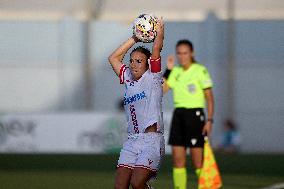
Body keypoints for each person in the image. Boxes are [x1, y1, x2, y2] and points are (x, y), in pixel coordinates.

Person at [108, 18, 165, 189]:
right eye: (131, 60)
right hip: (132, 140)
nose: (133, 64)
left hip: (151, 141)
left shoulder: (152, 77)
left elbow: (156, 48)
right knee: (120, 186)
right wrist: (135, 38)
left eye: (138, 61)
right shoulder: (128, 79)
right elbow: (113, 58)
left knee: (137, 182)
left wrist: (160, 31)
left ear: (147, 64)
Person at [163, 39, 214, 189]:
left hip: (195, 116)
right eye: (179, 53)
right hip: (178, 115)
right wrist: (169, 69)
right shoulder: (175, 71)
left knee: (198, 162)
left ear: (192, 53)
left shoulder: (200, 70)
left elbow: (210, 98)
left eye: (185, 53)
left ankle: (207, 186)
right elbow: (162, 90)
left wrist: (209, 120)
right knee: (178, 161)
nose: (182, 56)